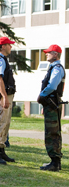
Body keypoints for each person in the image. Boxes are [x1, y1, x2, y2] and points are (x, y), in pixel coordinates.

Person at [37, 44, 65, 172]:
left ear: (56, 54)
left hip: (52, 102)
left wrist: (41, 95)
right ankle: (55, 161)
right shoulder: (53, 67)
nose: (46, 54)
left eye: (49, 52)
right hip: (50, 103)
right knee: (52, 132)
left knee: (52, 133)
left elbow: (52, 85)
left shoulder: (57, 68)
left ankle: (55, 162)